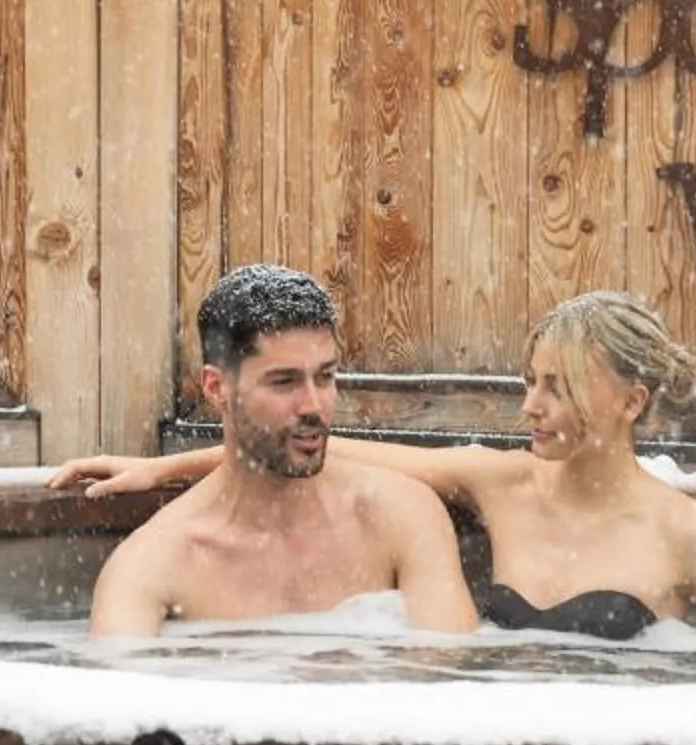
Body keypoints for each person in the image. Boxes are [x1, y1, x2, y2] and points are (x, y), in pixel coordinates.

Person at [56, 290, 696, 640]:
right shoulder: (501, 483)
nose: (530, 406)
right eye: (528, 382)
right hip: (495, 732)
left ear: (632, 402)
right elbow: (318, 448)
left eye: (557, 388)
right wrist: (165, 469)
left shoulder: (685, 533)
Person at [82, 265, 479, 638]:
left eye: (324, 377)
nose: (313, 405)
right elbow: (118, 703)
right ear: (216, 388)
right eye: (284, 382)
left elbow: (446, 688)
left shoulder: (400, 514)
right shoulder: (151, 568)